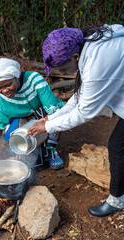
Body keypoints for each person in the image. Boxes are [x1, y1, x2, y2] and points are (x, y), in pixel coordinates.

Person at [26, 24, 124, 217]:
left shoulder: (97, 65)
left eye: (63, 69)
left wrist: (48, 126)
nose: (62, 74)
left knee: (117, 146)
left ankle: (117, 200)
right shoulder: (90, 40)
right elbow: (80, 97)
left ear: (75, 57)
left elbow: (83, 113)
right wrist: (52, 117)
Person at [0, 58, 65, 170]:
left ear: (16, 76)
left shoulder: (34, 80)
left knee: (57, 119)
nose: (5, 91)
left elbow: (52, 109)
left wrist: (43, 124)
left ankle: (50, 152)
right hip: (22, 121)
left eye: (8, 85)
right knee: (12, 134)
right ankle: (28, 152)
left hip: (44, 113)